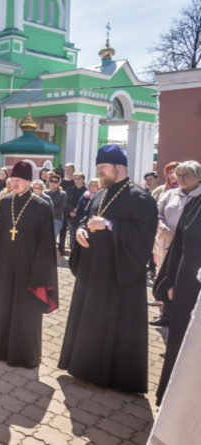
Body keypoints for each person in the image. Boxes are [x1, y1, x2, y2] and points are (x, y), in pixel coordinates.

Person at [58, 145, 158, 393]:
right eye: (99, 168)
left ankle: (113, 377)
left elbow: (143, 235)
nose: (100, 173)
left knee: (112, 326)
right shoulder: (101, 194)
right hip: (93, 273)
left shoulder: (141, 198)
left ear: (119, 167)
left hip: (117, 276)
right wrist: (81, 229)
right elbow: (85, 217)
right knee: (89, 320)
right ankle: (83, 367)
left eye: (103, 168)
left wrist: (110, 225)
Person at [0, 161, 59, 368]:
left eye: (18, 181)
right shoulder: (5, 203)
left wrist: (39, 273)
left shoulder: (42, 207)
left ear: (29, 182)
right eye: (12, 180)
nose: (14, 184)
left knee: (24, 311)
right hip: (5, 266)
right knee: (1, 306)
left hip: (28, 270)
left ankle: (22, 355)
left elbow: (46, 245)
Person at [153, 194, 201, 406]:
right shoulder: (195, 203)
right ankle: (170, 404)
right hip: (186, 291)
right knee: (181, 349)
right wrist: (170, 281)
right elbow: (178, 245)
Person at [151, 161, 201, 327]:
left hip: (190, 252)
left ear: (198, 177)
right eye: (178, 175)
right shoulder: (170, 194)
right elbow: (157, 213)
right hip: (166, 243)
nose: (181, 178)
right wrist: (164, 229)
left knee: (185, 284)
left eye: (186, 175)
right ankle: (166, 314)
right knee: (167, 279)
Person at [45, 174, 69, 255]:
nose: (53, 183)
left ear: (59, 183)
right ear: (49, 182)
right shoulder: (44, 192)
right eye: (51, 181)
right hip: (45, 219)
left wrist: (48, 210)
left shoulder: (62, 194)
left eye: (55, 181)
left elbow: (62, 208)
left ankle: (50, 254)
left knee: (52, 237)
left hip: (57, 219)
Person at [65, 173, 88, 252]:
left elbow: (87, 204)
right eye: (75, 178)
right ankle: (72, 254)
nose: (77, 181)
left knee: (82, 237)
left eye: (79, 179)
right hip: (71, 217)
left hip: (82, 218)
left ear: (83, 179)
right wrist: (72, 210)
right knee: (72, 236)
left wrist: (77, 211)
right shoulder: (69, 189)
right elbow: (66, 203)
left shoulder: (87, 191)